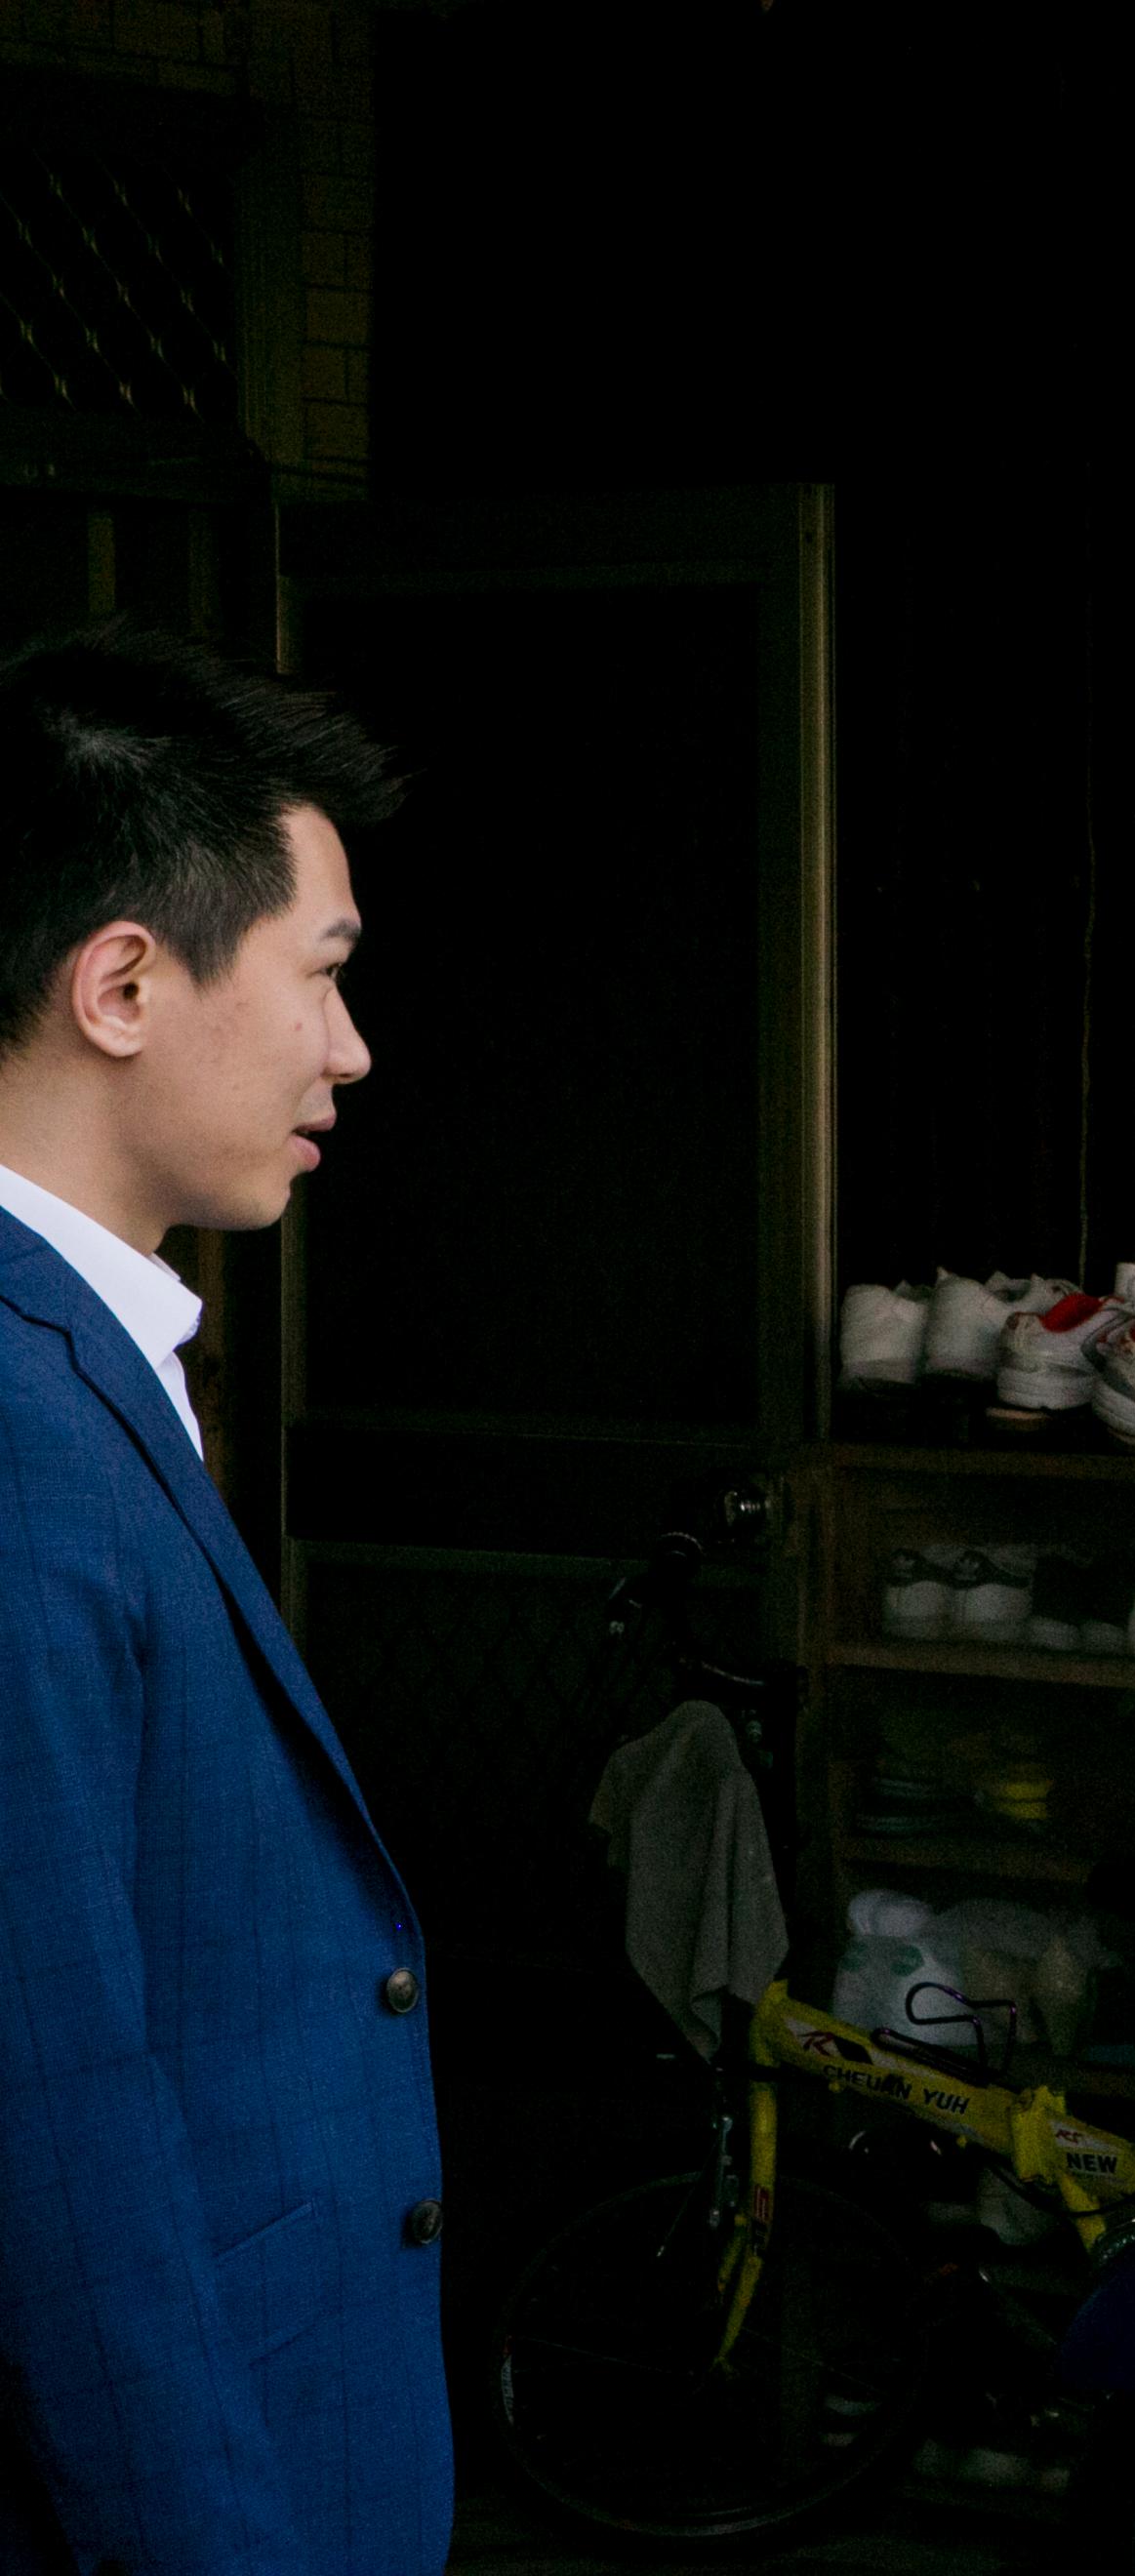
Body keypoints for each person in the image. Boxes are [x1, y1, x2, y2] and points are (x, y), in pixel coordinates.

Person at [0, 625, 445, 2572]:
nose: (350, 1048)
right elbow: (50, 2117)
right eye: (321, 973)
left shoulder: (84, 1346)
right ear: (121, 985)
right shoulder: (15, 1423)